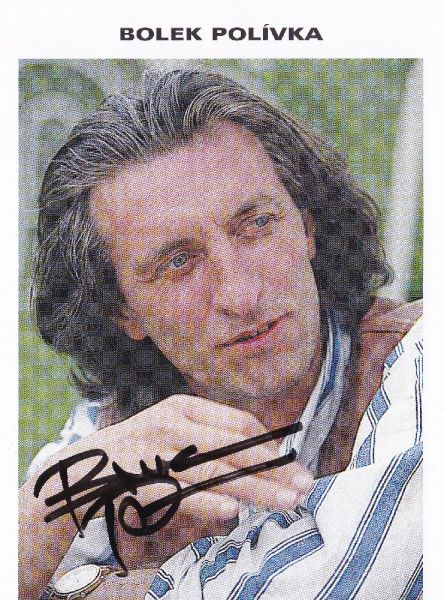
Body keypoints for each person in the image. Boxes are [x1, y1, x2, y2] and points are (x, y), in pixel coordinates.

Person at [19, 69, 422, 599]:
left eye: (257, 224)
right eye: (178, 262)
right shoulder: (116, 429)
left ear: (307, 226)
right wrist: (55, 498)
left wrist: (88, 588)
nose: (241, 294)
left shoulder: (420, 360)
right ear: (122, 312)